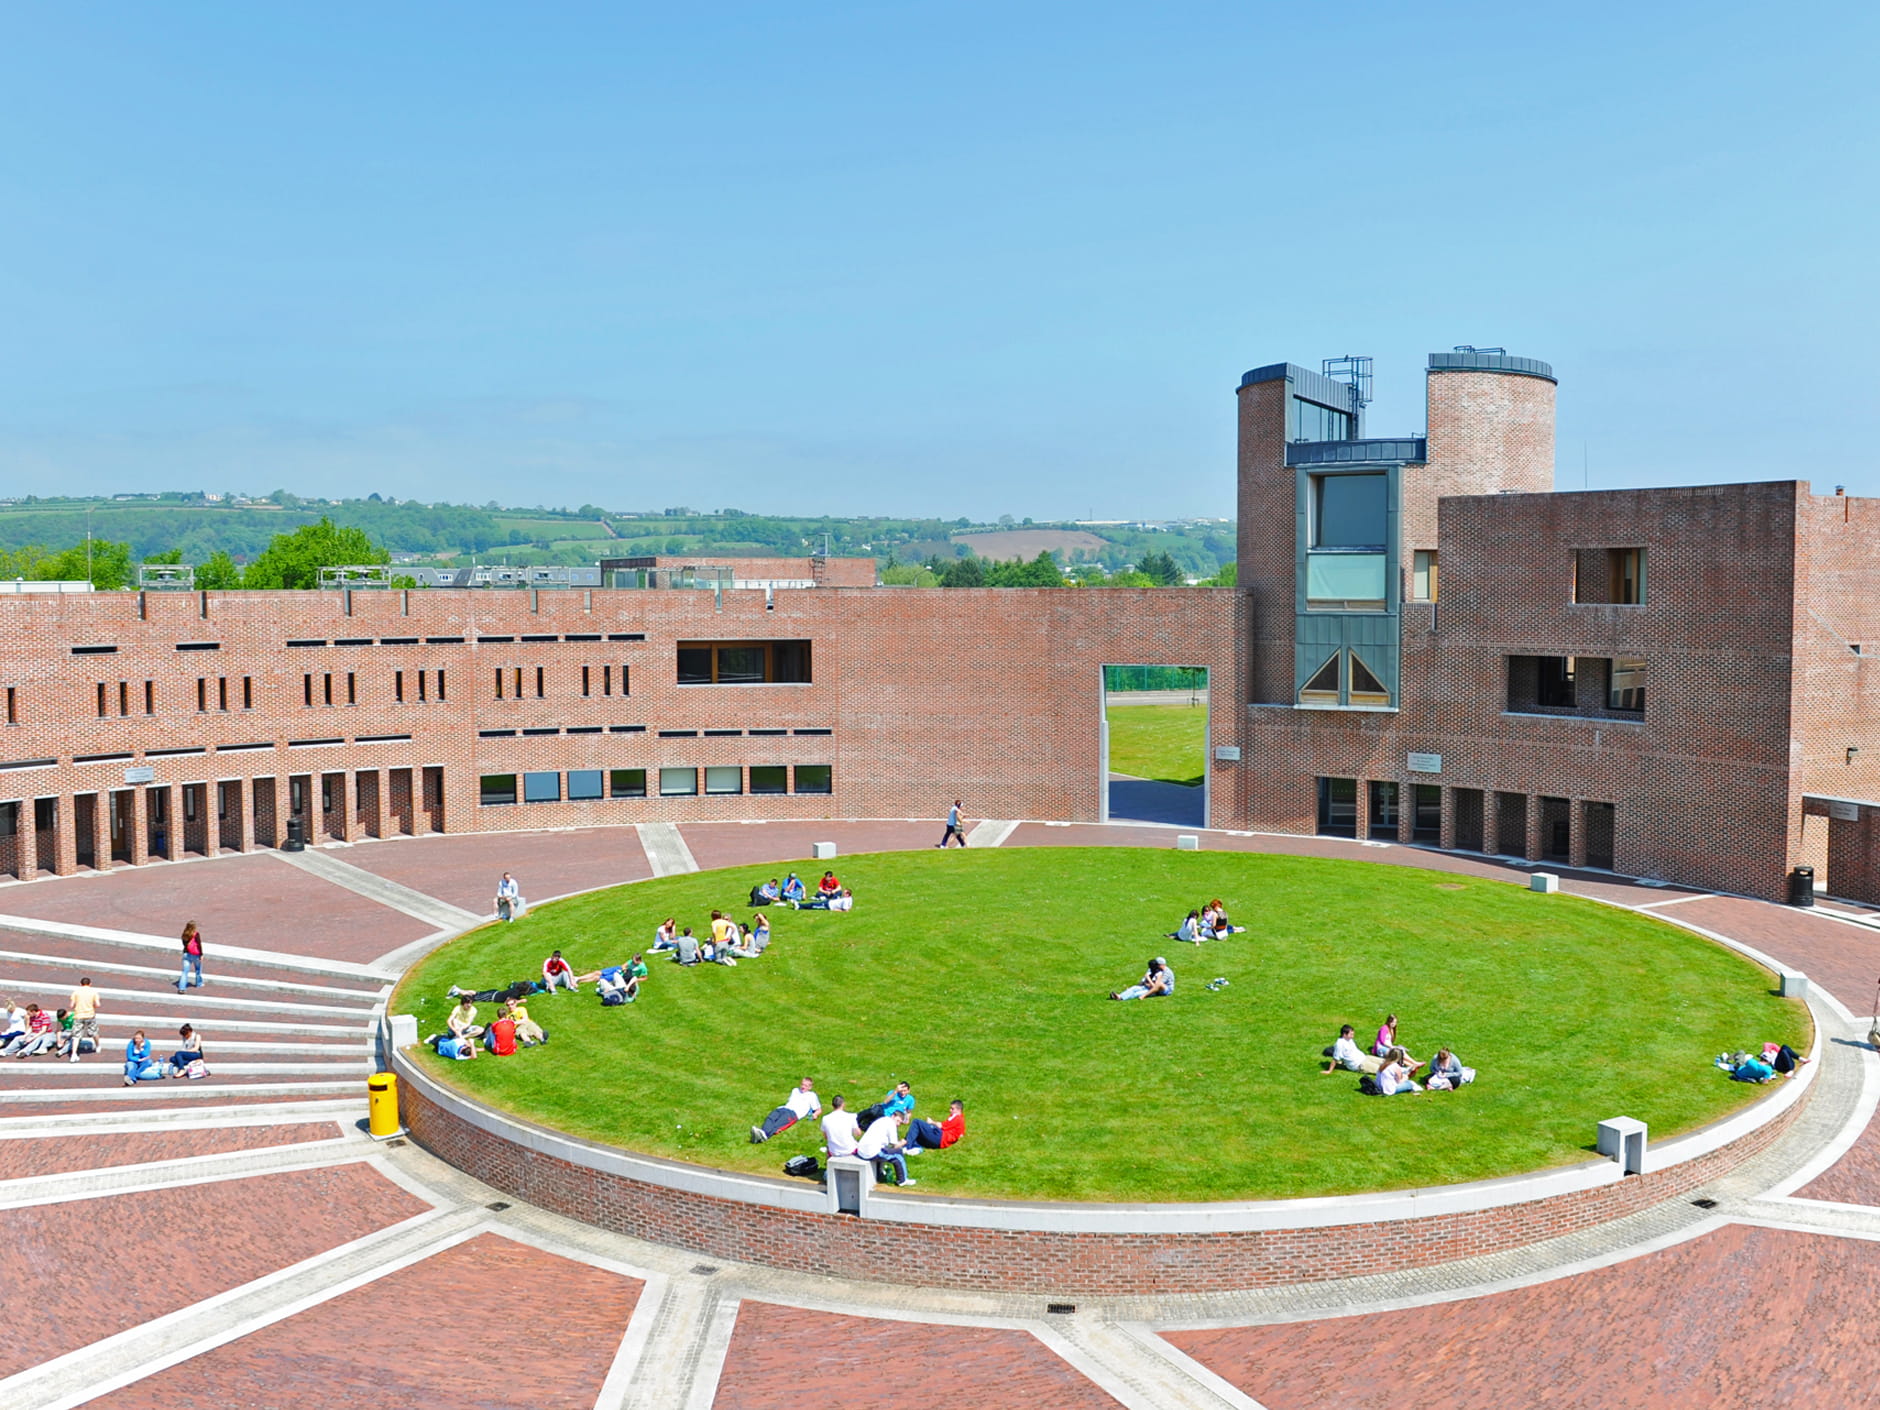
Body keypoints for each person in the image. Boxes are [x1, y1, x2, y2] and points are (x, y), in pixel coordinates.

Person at [750, 1077, 823, 1143]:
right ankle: (761, 1133)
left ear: (810, 1087)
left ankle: (763, 1136)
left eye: (806, 1086)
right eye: (802, 1084)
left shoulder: (812, 1095)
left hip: (793, 1113)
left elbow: (819, 1109)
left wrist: (815, 1114)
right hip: (783, 1108)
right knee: (770, 1118)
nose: (803, 1087)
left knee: (779, 1124)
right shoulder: (795, 1090)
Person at [857, 1109, 915, 1186]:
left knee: (885, 1152)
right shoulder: (891, 1124)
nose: (898, 1124)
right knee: (898, 1155)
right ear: (893, 1116)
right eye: (898, 1121)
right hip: (871, 1152)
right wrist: (905, 1141)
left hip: (861, 1150)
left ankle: (879, 1175)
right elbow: (895, 1145)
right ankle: (902, 1180)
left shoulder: (882, 1120)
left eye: (900, 1123)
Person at [68, 978, 100, 1063]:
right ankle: (98, 1046)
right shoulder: (94, 992)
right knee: (94, 1032)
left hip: (78, 1015)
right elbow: (98, 1004)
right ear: (90, 984)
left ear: (80, 984)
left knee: (76, 1036)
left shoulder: (76, 992)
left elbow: (71, 1005)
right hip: (90, 1015)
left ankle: (74, 1054)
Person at [177, 921, 205, 992]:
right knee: (198, 969)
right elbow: (199, 945)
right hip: (195, 955)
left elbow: (184, 944)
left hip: (187, 954)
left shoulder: (184, 934)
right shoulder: (196, 934)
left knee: (185, 971)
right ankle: (199, 983)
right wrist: (201, 954)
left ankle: (181, 988)